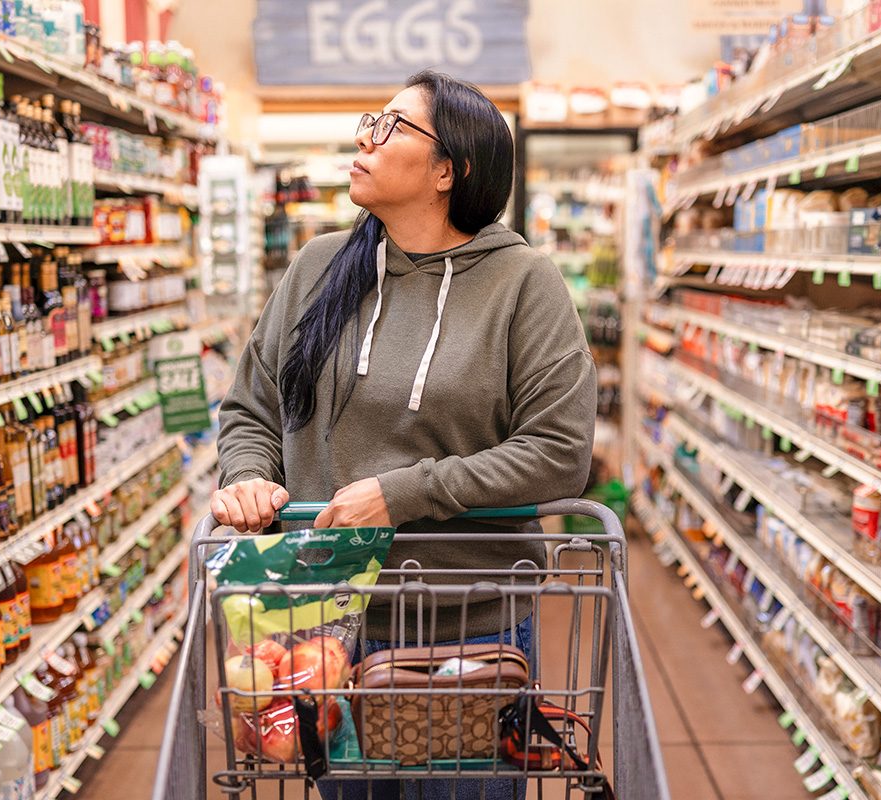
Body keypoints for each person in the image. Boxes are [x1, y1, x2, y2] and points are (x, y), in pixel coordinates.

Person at [211, 70, 597, 799]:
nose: (365, 138)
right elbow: (253, 406)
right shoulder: (321, 267)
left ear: (448, 169)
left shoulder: (523, 285)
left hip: (467, 623)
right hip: (325, 618)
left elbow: (558, 452)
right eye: (370, 122)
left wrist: (405, 493)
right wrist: (247, 473)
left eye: (390, 127)